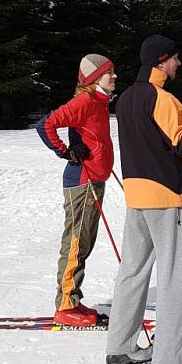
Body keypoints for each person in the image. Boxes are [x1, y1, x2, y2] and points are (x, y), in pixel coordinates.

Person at [106, 35, 182, 364]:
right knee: (173, 276)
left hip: (136, 196)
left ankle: (120, 347)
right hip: (167, 198)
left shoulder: (125, 98)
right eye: (174, 59)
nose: (178, 64)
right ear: (160, 60)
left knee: (132, 272)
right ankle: (169, 358)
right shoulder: (162, 98)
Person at [36, 54, 117, 327]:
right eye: (109, 72)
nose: (115, 76)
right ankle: (65, 305)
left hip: (93, 180)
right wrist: (66, 151)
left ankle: (72, 298)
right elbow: (45, 125)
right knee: (76, 242)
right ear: (94, 78)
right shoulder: (84, 101)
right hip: (82, 182)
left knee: (84, 242)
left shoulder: (99, 102)